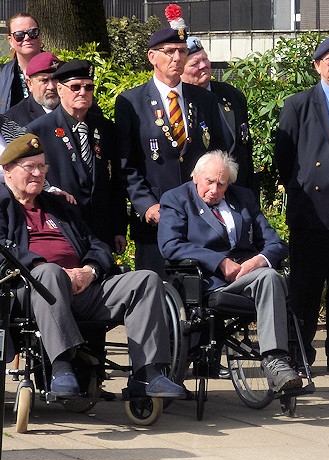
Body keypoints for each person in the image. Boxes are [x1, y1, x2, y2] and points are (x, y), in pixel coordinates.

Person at [0, 133, 185, 399]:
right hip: (31, 291)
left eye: (42, 167)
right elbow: (4, 248)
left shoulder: (59, 204)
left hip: (83, 287)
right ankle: (61, 367)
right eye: (30, 167)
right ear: (7, 170)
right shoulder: (2, 202)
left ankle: (147, 375)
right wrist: (45, 266)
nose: (38, 174)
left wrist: (90, 270)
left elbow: (97, 243)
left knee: (146, 280)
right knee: (49, 273)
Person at [157, 150, 303, 393]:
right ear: (196, 177)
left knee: (269, 276)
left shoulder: (243, 198)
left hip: (249, 277)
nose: (214, 189)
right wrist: (219, 262)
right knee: (269, 278)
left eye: (221, 184)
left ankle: (275, 360)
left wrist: (258, 260)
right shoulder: (177, 199)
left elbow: (276, 244)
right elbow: (170, 245)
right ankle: (275, 361)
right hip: (208, 281)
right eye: (209, 182)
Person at [116, 4, 226, 276]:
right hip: (156, 218)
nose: (177, 57)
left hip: (200, 216)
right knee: (155, 296)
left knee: (201, 301)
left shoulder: (204, 100)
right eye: (170, 52)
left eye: (182, 51)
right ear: (152, 57)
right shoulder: (130, 102)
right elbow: (126, 164)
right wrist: (146, 205)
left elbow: (218, 152)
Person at [274, 35, 329, 374]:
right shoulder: (298, 104)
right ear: (317, 65)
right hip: (311, 213)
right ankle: (300, 353)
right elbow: (284, 157)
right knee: (305, 289)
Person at [26, 60, 127, 254]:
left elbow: (115, 182)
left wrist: (118, 228)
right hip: (64, 228)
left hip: (101, 232)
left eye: (88, 87)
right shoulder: (39, 131)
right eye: (75, 87)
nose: (83, 92)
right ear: (60, 89)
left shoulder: (106, 128)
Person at [181, 36, 254, 191]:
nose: (204, 66)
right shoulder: (179, 101)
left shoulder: (232, 95)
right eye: (195, 63)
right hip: (198, 196)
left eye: (205, 59)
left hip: (236, 193)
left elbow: (245, 151)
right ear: (180, 69)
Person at [0, 13, 43, 114]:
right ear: (10, 40)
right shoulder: (2, 75)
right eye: (19, 35)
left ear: (40, 35)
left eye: (33, 32)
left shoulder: (59, 70)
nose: (27, 38)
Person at [4, 52, 62, 126]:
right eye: (44, 80)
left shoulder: (74, 109)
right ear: (30, 84)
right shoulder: (13, 120)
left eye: (55, 79)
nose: (51, 87)